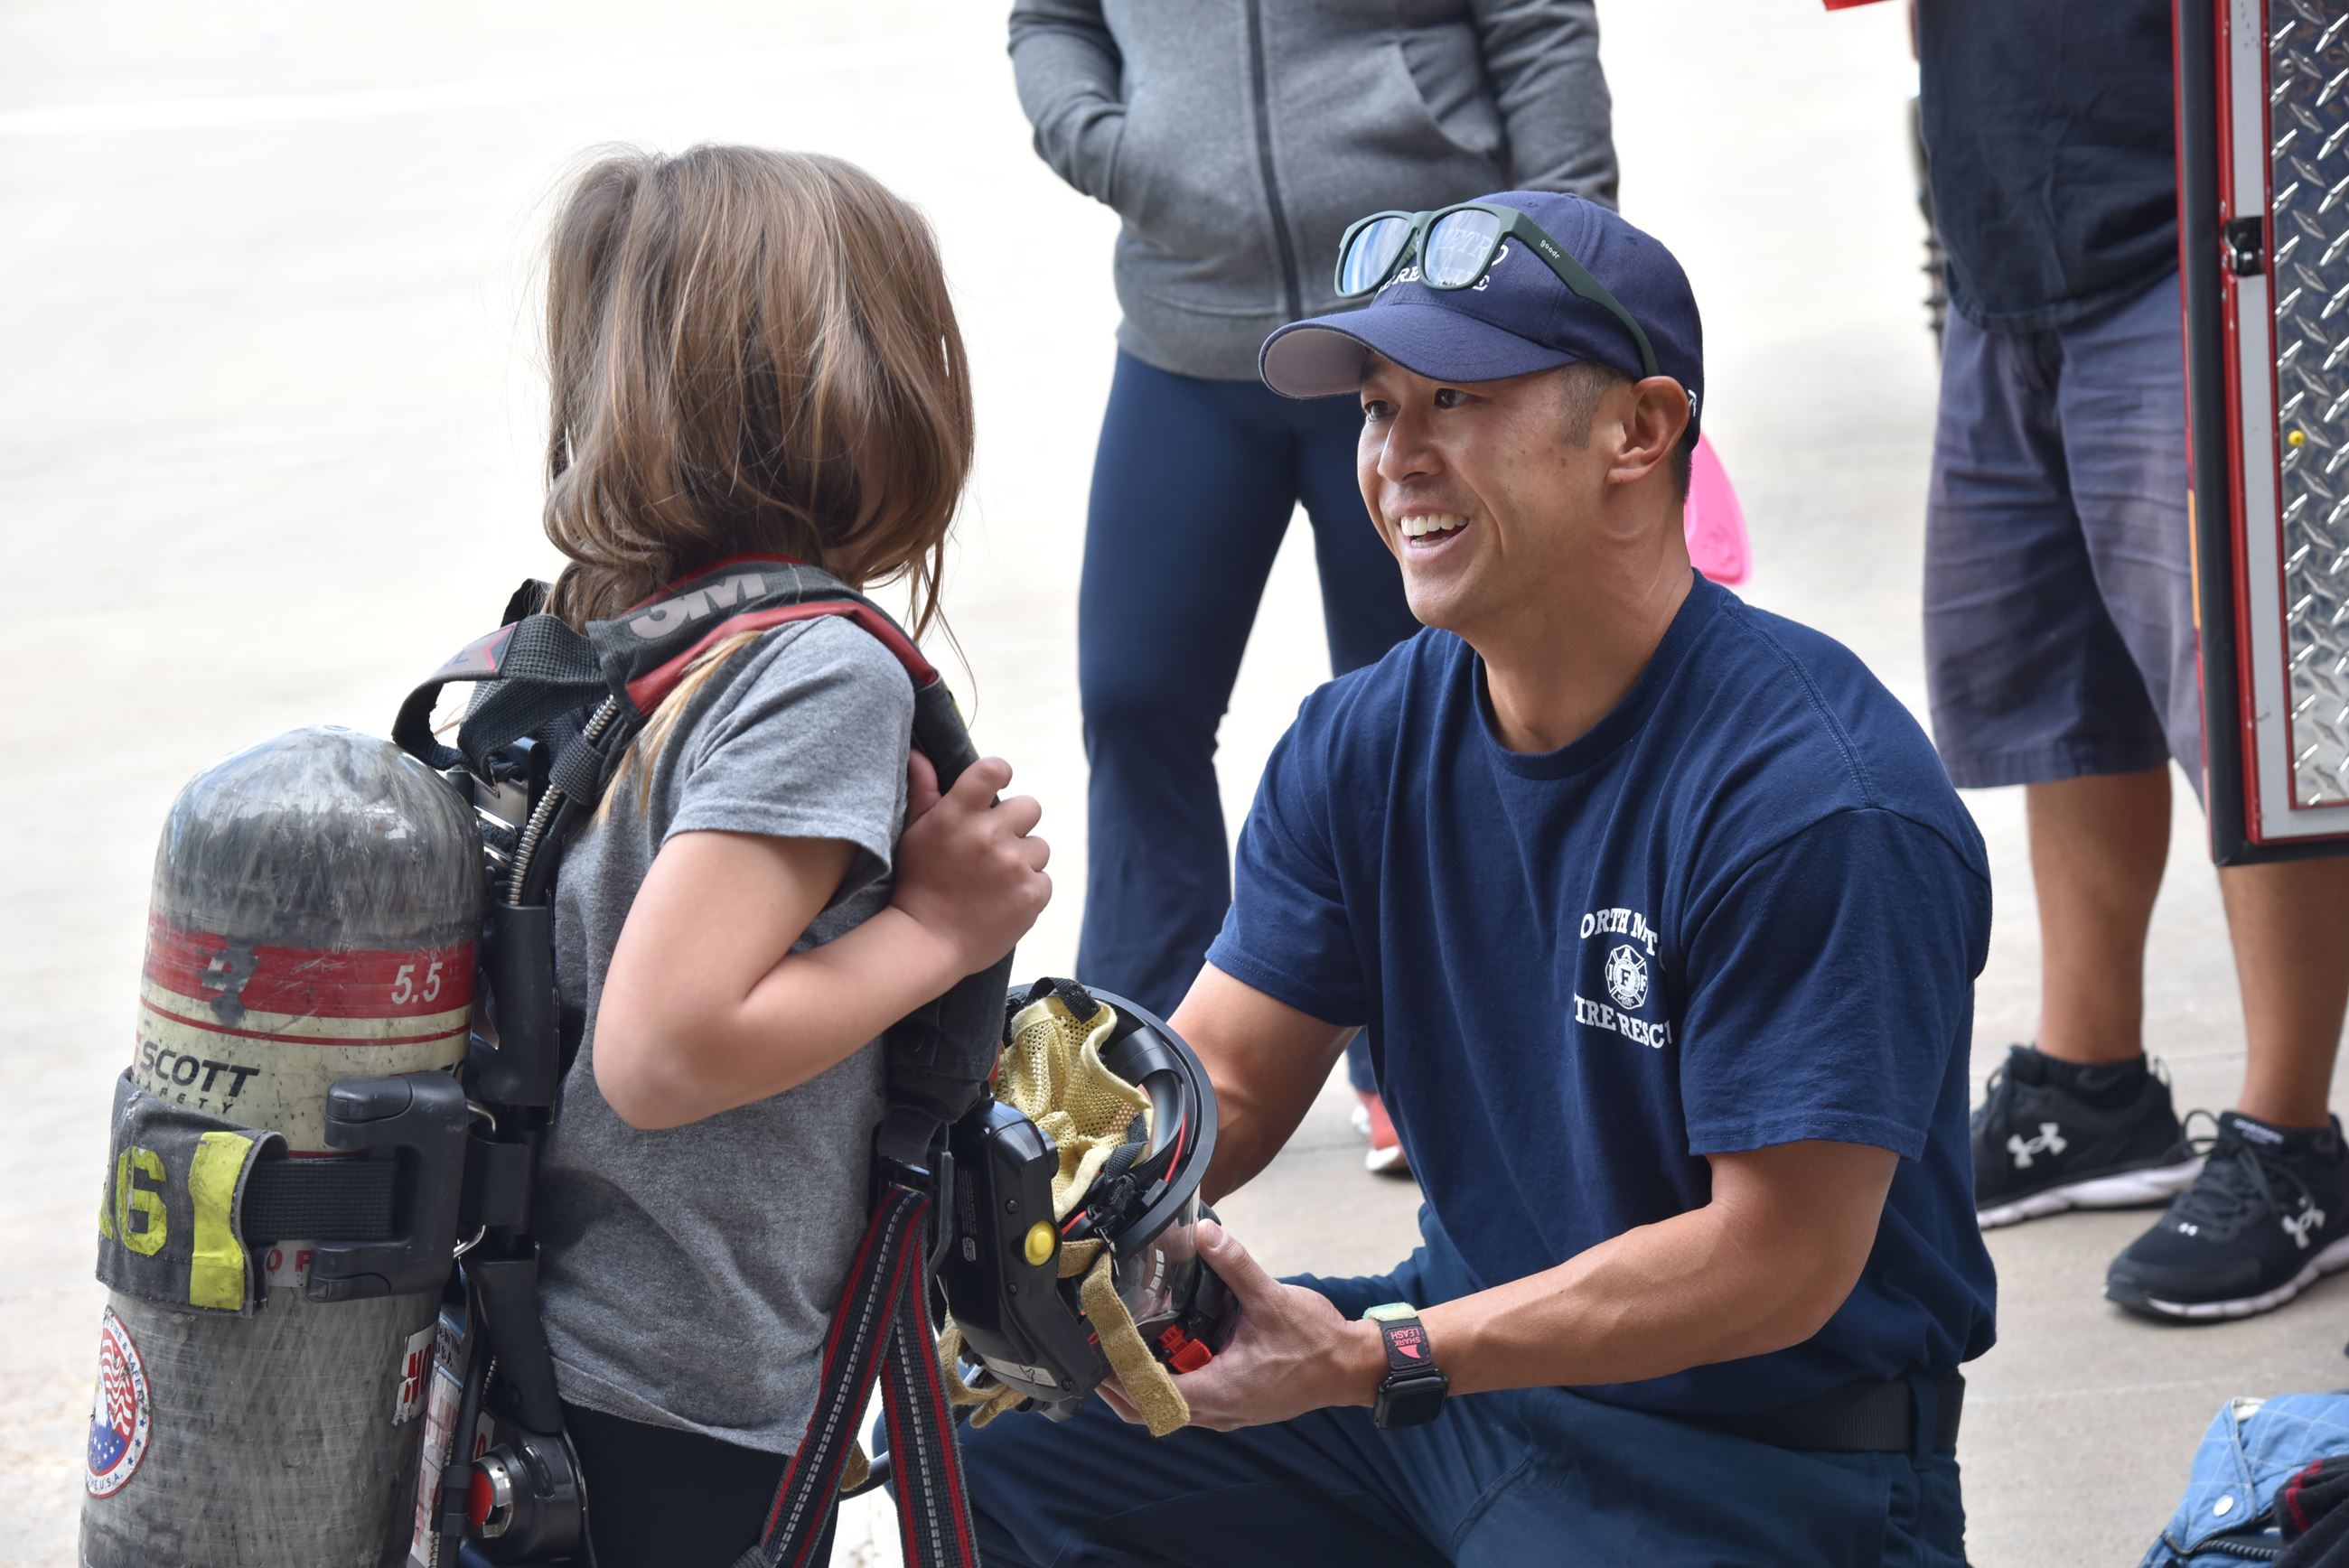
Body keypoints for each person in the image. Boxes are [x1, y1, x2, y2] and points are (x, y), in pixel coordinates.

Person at [959, 190, 1995, 1566]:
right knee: (996, 1463)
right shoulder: (1364, 738)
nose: (1397, 459)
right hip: (1457, 1389)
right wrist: (1004, 1190)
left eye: (1457, 398)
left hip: (1756, 1461)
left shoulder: (1815, 799)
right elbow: (1236, 1084)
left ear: (1640, 429)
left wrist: (1385, 1355)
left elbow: (1775, 1264)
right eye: (1381, 408)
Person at [519, 146, 1051, 1566]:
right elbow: (669, 1050)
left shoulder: (587, 639)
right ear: (864, 387)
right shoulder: (816, 671)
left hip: (534, 1350)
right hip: (679, 1387)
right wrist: (939, 930)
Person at [1008, 0, 1616, 1173]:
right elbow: (1051, 20)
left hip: (1423, 327)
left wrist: (1569, 294)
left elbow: (1540, 30)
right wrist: (1113, 142)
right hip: (1186, 330)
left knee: (1426, 709)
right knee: (1136, 698)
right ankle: (1145, 1067)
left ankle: (1418, 1048)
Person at [1900, 0, 2349, 1320]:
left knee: (2250, 714)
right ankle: (2089, 1083)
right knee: (2060, 691)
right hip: (2005, 241)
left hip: (2209, 231)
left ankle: (2291, 1136)